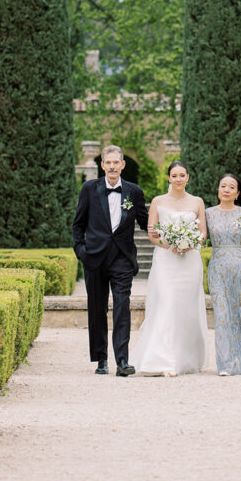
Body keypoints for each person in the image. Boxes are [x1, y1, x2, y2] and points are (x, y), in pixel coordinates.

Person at [72, 144, 148, 376]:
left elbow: (146, 223)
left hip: (122, 259)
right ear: (102, 165)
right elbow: (78, 224)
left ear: (123, 165)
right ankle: (101, 360)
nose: (113, 166)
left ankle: (122, 361)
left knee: (122, 307)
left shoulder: (134, 192)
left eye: (117, 162)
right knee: (97, 309)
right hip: (94, 259)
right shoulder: (88, 189)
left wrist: (172, 233)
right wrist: (82, 252)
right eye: (109, 162)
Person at [129, 160, 209, 376]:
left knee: (186, 307)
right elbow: (152, 233)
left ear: (188, 177)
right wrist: (170, 245)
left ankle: (185, 359)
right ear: (168, 178)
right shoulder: (157, 201)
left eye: (182, 175)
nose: (178, 179)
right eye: (174, 175)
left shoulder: (197, 202)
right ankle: (163, 360)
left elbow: (203, 232)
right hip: (166, 260)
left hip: (190, 260)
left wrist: (189, 243)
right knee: (168, 302)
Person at [205, 173, 241, 375]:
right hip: (217, 268)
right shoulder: (208, 213)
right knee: (221, 315)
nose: (226, 190)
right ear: (218, 190)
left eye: (231, 187)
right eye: (223, 186)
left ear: (238, 193)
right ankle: (225, 364)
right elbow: (199, 237)